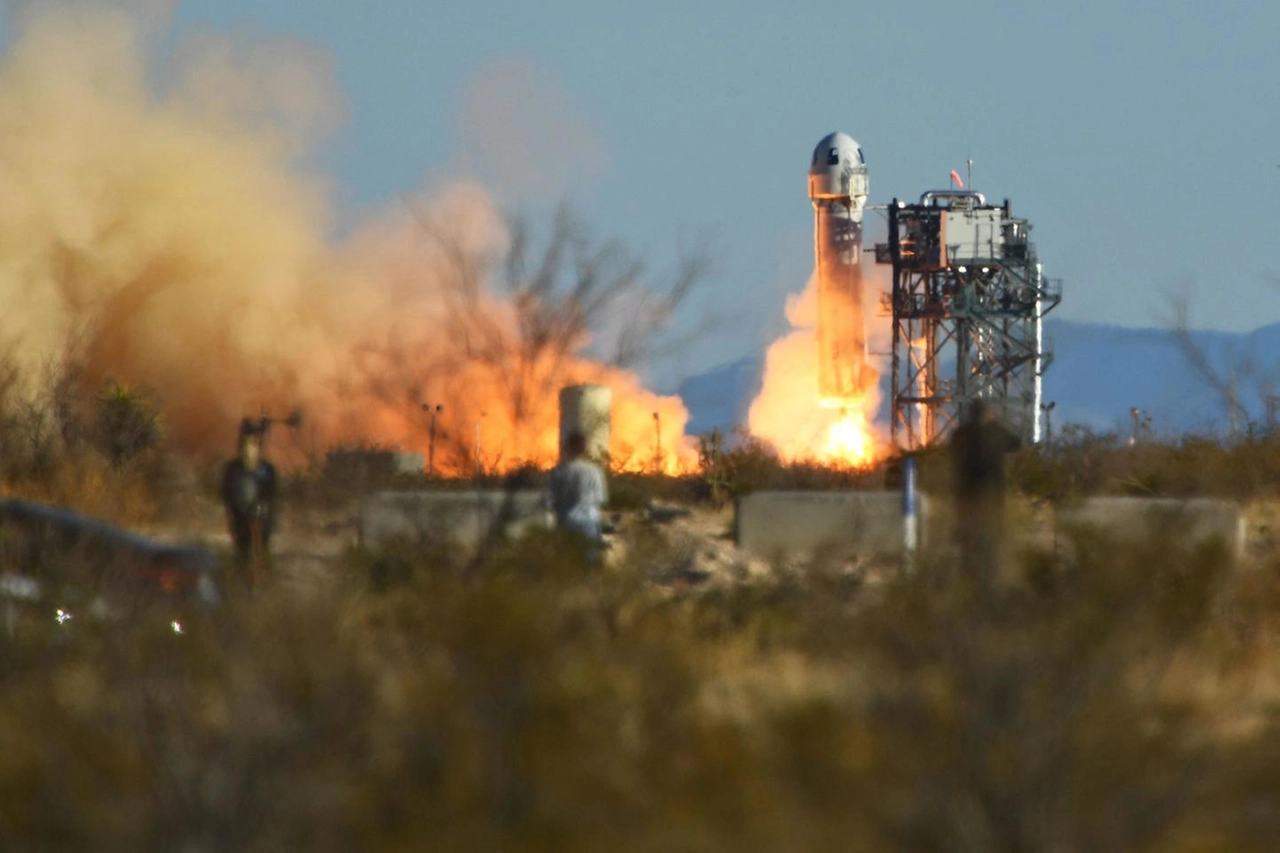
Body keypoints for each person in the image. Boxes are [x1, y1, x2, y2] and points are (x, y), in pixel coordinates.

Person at [950, 400, 1021, 592]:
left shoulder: (960, 434)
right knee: (991, 538)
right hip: (991, 494)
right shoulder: (995, 432)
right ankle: (989, 579)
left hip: (966, 494)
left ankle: (968, 577)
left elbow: (952, 451)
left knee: (967, 538)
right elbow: (1017, 443)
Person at [220, 418, 278, 585]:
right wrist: (236, 509)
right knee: (242, 553)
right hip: (240, 518)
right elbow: (226, 492)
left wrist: (263, 509)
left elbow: (272, 494)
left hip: (262, 520)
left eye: (254, 443)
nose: (250, 447)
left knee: (262, 553)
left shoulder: (267, 470)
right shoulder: (233, 469)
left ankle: (265, 585)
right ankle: (242, 585)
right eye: (246, 442)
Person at [545, 432, 608, 547]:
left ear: (567, 448)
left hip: (566, 523)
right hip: (589, 523)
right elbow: (600, 498)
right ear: (585, 449)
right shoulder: (594, 471)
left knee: (568, 562)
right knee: (589, 562)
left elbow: (549, 501)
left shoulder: (558, 472)